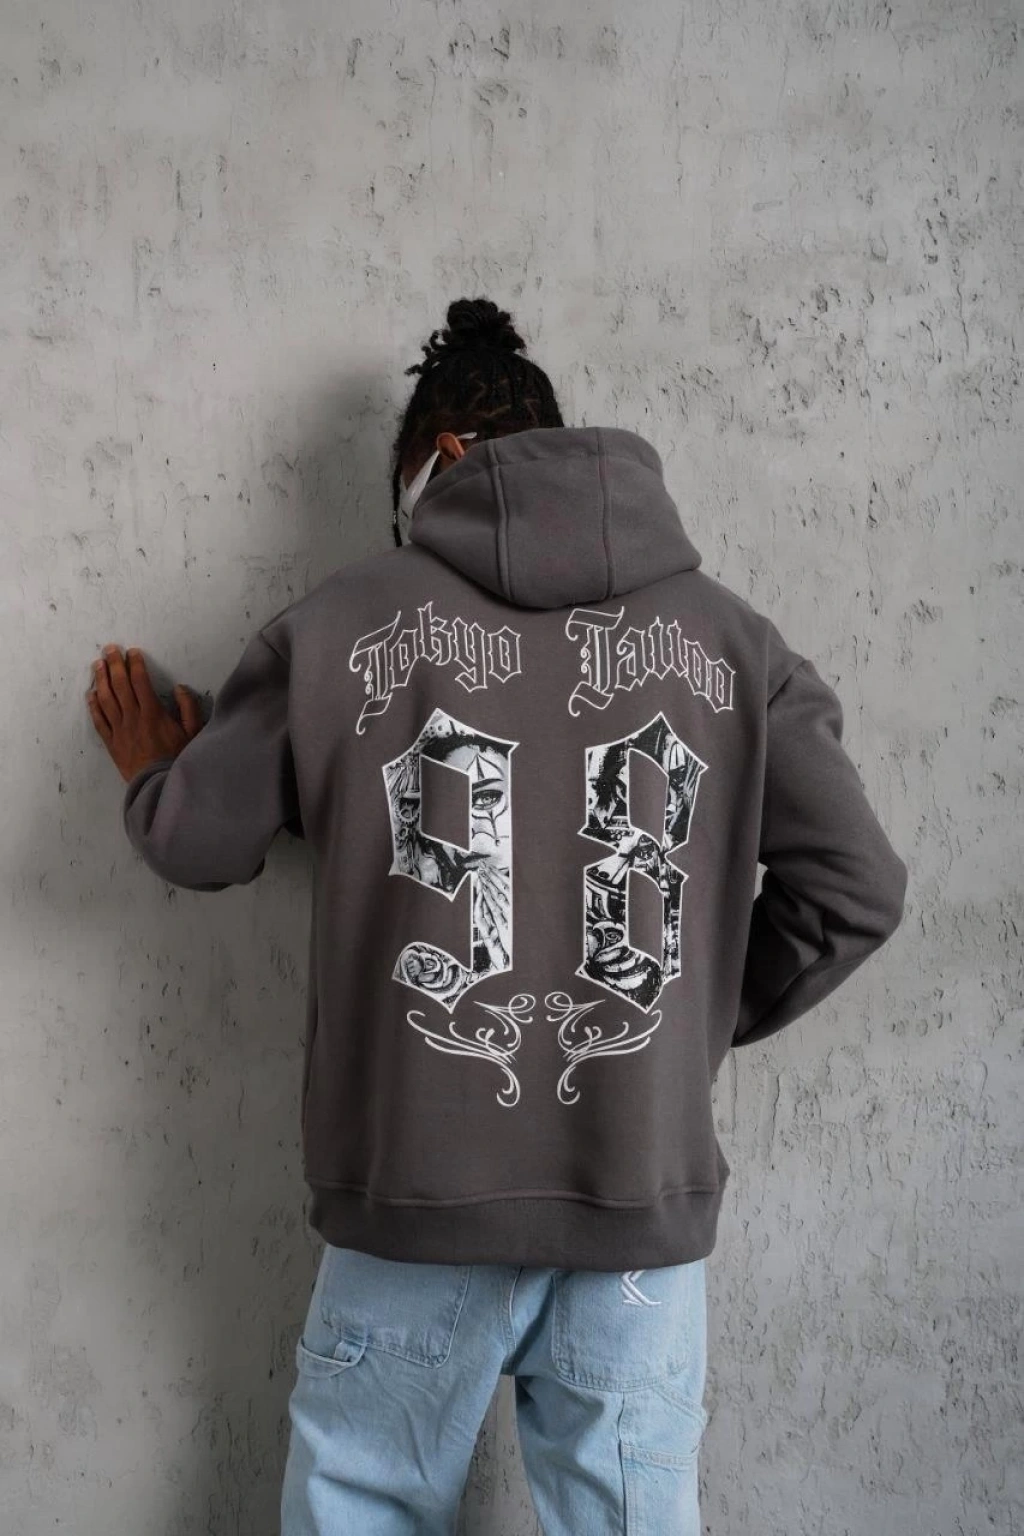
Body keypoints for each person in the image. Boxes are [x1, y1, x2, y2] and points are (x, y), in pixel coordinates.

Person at [86, 296, 908, 1535]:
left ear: (445, 457)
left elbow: (198, 844)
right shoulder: (735, 645)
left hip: (410, 1206)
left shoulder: (340, 624)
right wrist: (689, 1016)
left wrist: (159, 772)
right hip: (634, 1203)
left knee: (361, 1512)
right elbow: (858, 886)